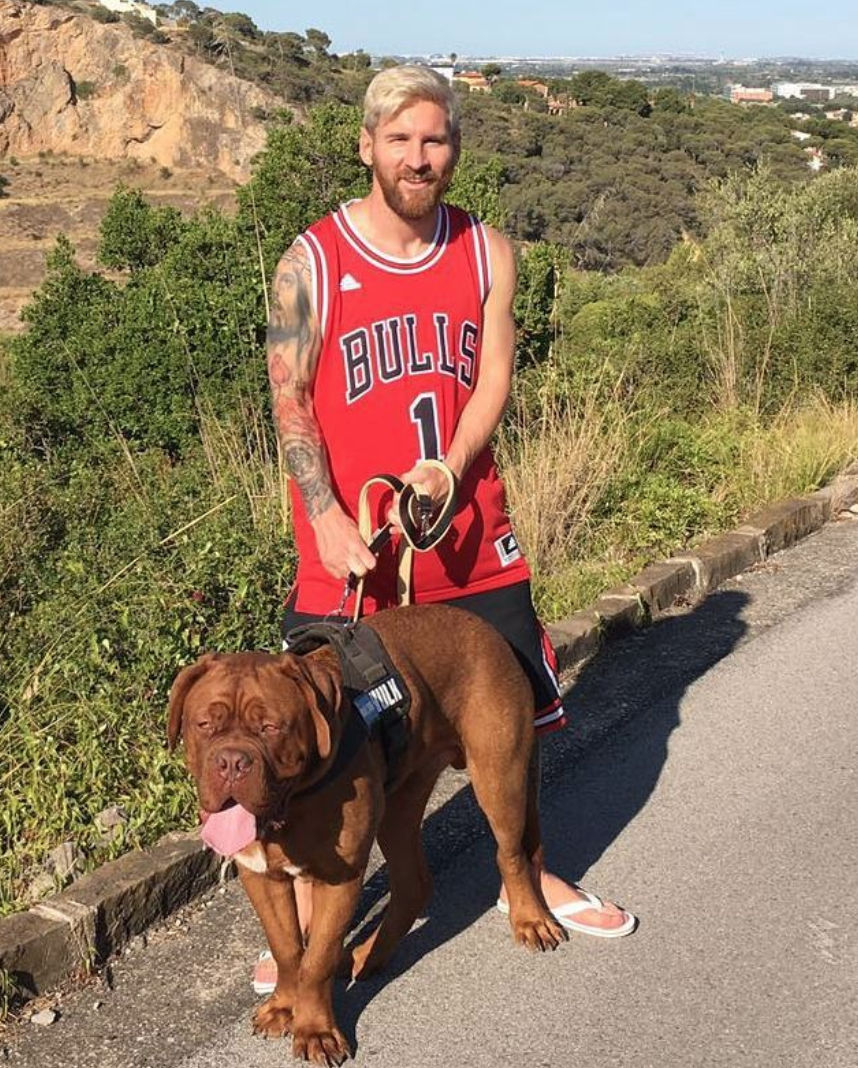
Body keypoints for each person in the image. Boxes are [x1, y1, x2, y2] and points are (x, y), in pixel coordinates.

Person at [256, 65, 635, 989]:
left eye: (435, 141)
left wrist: (451, 463)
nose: (418, 158)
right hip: (355, 547)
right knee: (328, 731)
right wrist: (326, 516)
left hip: (468, 530)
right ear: (366, 146)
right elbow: (289, 397)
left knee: (512, 724)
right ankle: (310, 921)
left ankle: (525, 871)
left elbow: (494, 377)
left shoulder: (487, 251)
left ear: (454, 149)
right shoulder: (311, 262)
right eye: (400, 140)